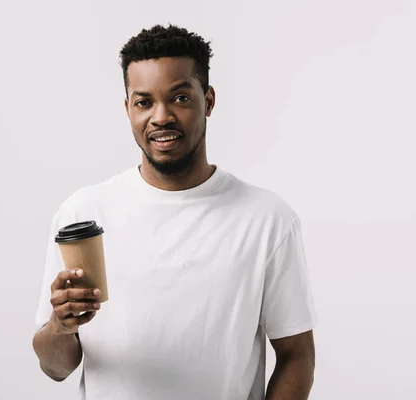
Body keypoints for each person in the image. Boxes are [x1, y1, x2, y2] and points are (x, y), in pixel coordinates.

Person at [32, 24, 317, 400]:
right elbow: (55, 368)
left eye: (180, 98)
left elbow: (297, 355)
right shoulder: (82, 213)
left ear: (209, 100)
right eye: (144, 102)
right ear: (128, 108)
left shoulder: (266, 219)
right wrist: (61, 325)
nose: (161, 116)